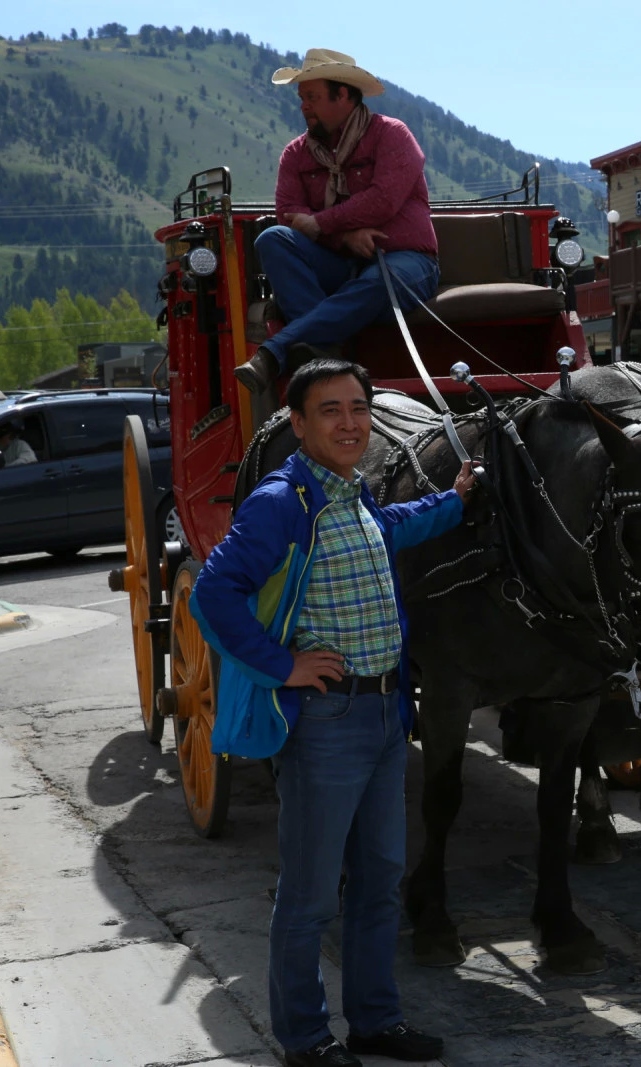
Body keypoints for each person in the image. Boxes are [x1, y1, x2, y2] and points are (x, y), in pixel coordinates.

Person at [191, 359, 474, 1067]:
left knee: (380, 880)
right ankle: (305, 1038)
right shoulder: (281, 501)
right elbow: (213, 594)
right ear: (298, 424)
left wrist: (457, 498)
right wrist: (284, 665)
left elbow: (393, 525)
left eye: (359, 408)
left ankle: (375, 1021)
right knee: (312, 893)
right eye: (331, 411)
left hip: (384, 715)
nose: (350, 423)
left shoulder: (350, 492)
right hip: (327, 724)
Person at [235, 49, 440, 392]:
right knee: (272, 238)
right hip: (336, 260)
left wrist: (320, 224)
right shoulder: (295, 154)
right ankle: (324, 352)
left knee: (378, 281)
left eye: (312, 97)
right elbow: (289, 215)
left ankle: (281, 351)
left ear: (343, 94)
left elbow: (382, 201)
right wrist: (342, 238)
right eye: (302, 98)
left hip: (406, 259)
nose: (304, 106)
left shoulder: (392, 134)